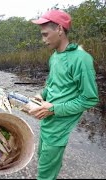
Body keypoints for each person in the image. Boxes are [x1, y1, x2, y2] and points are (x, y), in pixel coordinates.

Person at [29, 9, 99, 180]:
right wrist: (41, 95)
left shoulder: (82, 59)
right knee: (44, 159)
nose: (43, 40)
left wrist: (54, 109)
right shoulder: (54, 57)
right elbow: (53, 84)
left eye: (46, 34)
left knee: (45, 172)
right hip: (48, 121)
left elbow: (89, 99)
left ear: (59, 29)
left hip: (59, 125)